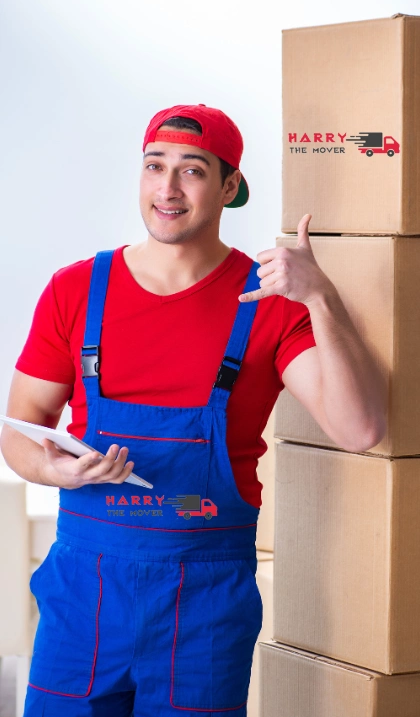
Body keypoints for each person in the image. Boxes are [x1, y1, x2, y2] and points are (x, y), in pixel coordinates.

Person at [0, 103, 386, 717]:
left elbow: (361, 428)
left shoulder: (270, 303)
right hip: (83, 599)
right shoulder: (75, 290)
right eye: (155, 167)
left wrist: (320, 296)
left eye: (193, 171)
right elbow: (20, 428)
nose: (168, 189)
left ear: (231, 186)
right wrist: (55, 471)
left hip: (202, 608)